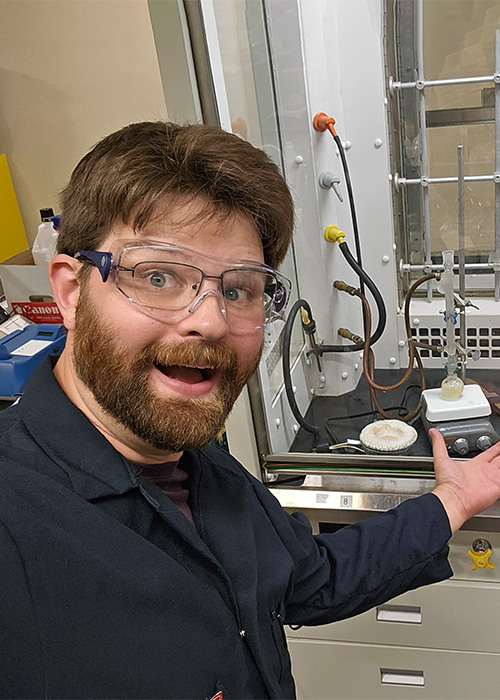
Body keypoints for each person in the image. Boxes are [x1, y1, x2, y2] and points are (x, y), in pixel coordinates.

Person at [0, 121, 499, 700]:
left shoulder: (204, 468)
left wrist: (453, 501)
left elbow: (310, 579)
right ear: (71, 291)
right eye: (158, 276)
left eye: (238, 290)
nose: (210, 320)